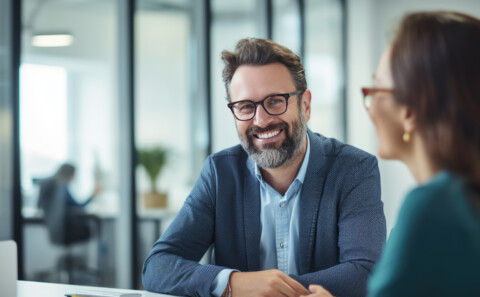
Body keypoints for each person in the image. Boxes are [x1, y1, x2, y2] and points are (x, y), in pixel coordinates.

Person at [142, 38, 386, 297]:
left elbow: (365, 272)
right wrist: (233, 283)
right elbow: (158, 266)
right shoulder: (219, 174)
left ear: (305, 105)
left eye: (275, 101)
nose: (261, 120)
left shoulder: (354, 169)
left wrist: (270, 290)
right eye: (246, 106)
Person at [303, 11, 480, 297]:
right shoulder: (460, 201)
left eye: (375, 90)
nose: (369, 106)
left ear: (410, 110)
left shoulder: (432, 207)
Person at [38, 163, 102, 244]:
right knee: (90, 228)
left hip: (55, 231)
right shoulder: (62, 188)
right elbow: (79, 206)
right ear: (69, 175)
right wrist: (93, 195)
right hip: (64, 230)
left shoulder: (52, 185)